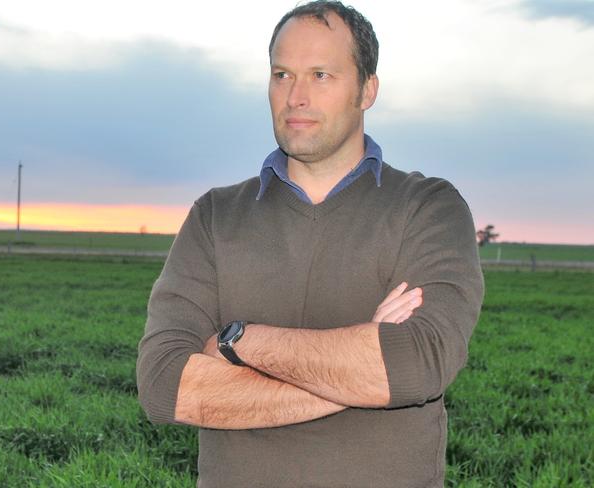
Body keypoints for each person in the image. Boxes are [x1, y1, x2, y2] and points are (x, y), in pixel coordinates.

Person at [136, 1, 484, 486]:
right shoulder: (216, 216)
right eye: (282, 74)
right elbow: (165, 386)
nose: (295, 95)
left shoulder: (427, 208)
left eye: (321, 74)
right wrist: (357, 369)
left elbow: (417, 362)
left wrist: (241, 341)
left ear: (367, 90)